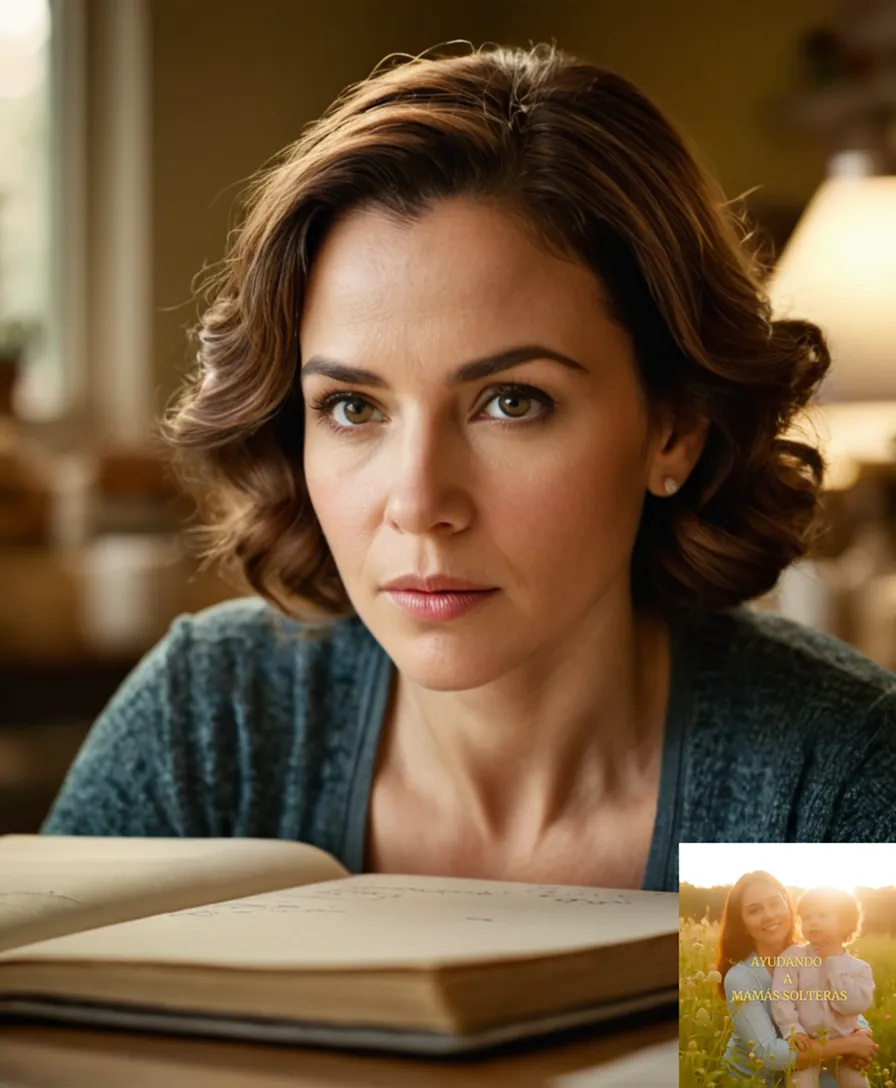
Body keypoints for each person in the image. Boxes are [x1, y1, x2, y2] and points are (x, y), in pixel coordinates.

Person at [42, 43, 896, 890]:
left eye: (512, 402)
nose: (418, 503)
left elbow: (802, 1036)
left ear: (673, 427)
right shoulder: (211, 723)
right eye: (353, 408)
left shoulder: (818, 785)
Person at [718, 872, 878, 1085]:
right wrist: (849, 1045)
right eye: (754, 910)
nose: (769, 915)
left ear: (788, 905)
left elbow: (837, 1002)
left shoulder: (815, 954)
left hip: (807, 1066)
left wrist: (861, 1033)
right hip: (756, 1080)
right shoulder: (740, 978)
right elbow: (768, 1054)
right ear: (743, 923)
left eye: (775, 903)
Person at [770, 887, 874, 1088]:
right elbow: (781, 997)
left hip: (844, 1049)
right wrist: (793, 1030)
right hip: (807, 1044)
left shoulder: (859, 969)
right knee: (800, 1083)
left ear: (846, 924)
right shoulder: (792, 958)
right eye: (806, 917)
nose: (813, 922)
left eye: (823, 915)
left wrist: (833, 962)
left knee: (858, 1083)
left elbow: (852, 1006)